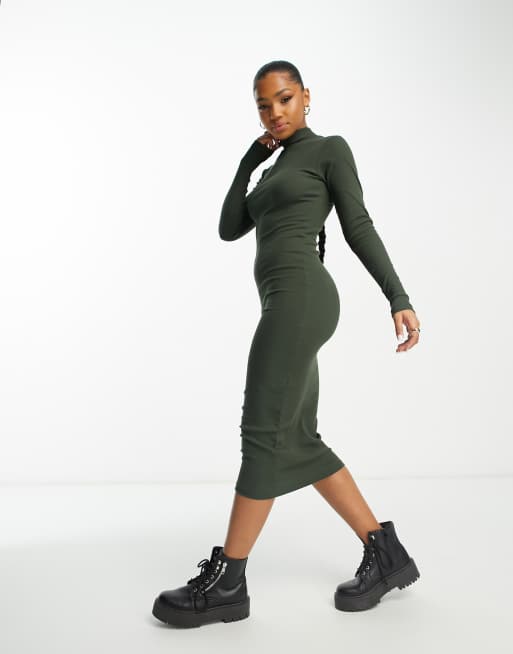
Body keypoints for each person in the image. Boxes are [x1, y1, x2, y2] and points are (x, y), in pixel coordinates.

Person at [152, 60, 421, 628]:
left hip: (301, 299)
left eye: (284, 98)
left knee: (261, 432)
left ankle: (228, 583)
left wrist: (397, 296)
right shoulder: (274, 167)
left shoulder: (329, 150)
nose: (274, 112)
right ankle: (385, 554)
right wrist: (250, 160)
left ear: (305, 97)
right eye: (263, 105)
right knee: (296, 436)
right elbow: (230, 226)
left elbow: (358, 225)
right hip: (283, 304)